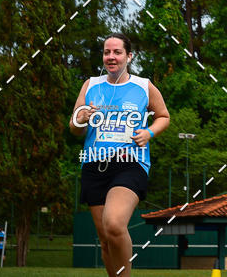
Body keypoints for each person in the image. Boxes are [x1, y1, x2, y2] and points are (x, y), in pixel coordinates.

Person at [70, 33, 170, 277]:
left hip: (130, 163)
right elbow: (75, 128)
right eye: (107, 52)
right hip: (94, 165)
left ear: (129, 56)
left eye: (117, 52)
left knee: (114, 224)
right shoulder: (90, 85)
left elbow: (164, 116)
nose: (111, 57)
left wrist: (149, 132)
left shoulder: (144, 86)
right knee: (106, 240)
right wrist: (81, 118)